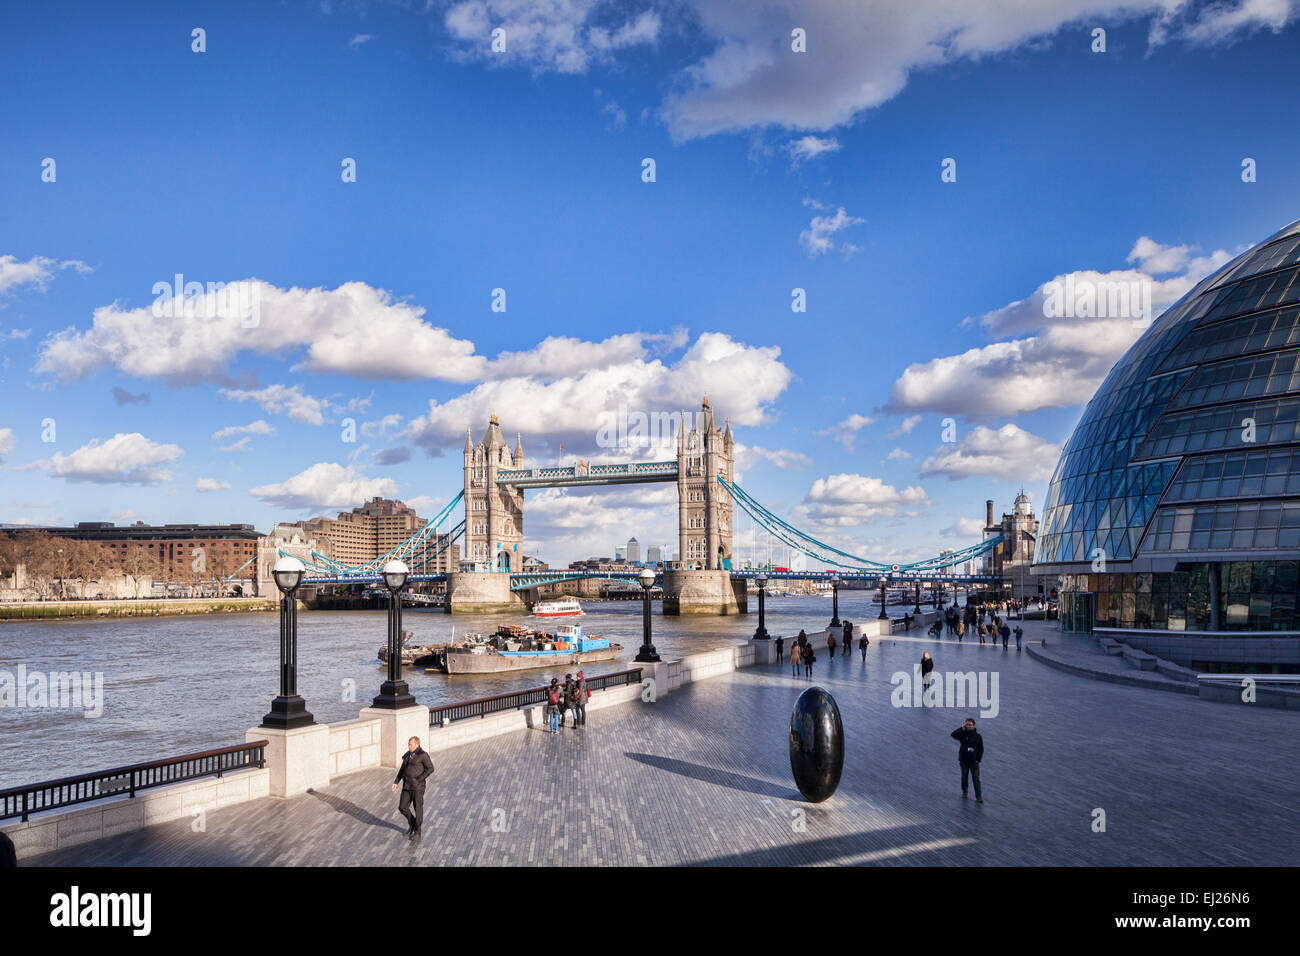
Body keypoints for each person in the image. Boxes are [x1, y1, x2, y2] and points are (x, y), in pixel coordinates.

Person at [391, 735, 435, 837]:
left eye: (410, 744)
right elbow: (402, 769)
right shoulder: (407, 755)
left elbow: (430, 768)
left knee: (417, 808)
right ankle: (413, 824)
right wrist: (396, 782)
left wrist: (419, 779)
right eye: (408, 744)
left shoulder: (423, 755)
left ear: (417, 744)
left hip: (417, 787)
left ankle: (418, 831)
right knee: (402, 807)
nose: (409, 746)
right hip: (407, 786)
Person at [950, 719, 984, 803]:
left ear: (973, 725)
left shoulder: (978, 736)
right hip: (964, 760)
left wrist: (978, 759)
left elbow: (981, 749)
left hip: (973, 762)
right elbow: (953, 735)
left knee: (976, 779)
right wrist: (961, 728)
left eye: (970, 724)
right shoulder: (962, 734)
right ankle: (965, 792)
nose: (968, 726)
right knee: (964, 777)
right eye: (967, 724)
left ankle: (978, 796)